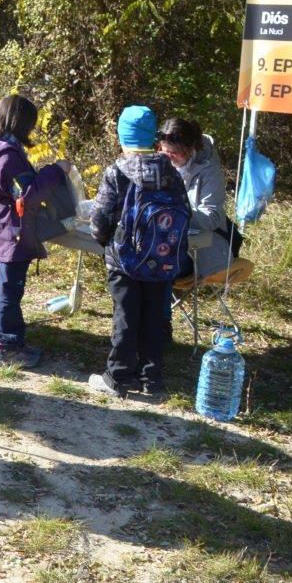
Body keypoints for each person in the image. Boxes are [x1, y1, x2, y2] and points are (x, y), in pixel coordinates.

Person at [88, 105, 190, 399]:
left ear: (123, 137)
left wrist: (105, 242)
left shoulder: (117, 171)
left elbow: (100, 220)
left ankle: (117, 377)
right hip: (163, 258)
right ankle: (151, 379)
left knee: (126, 316)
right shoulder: (172, 172)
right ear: (152, 138)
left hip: (124, 260)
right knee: (154, 318)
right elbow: (186, 212)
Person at [0, 95, 67, 369]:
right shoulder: (9, 157)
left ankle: (12, 342)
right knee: (10, 291)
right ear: (21, 124)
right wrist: (55, 171)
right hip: (12, 231)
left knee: (8, 286)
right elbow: (28, 196)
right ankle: (8, 347)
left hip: (3, 228)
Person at [155, 118, 233, 280]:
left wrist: (176, 215)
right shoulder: (160, 163)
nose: (168, 159)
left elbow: (212, 218)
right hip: (168, 240)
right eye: (164, 152)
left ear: (190, 149)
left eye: (174, 154)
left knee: (156, 266)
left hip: (204, 248)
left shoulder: (210, 172)